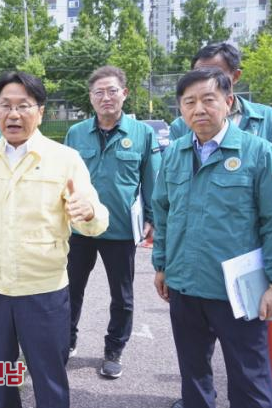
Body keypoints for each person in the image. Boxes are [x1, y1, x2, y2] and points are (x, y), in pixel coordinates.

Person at [0, 71, 109, 408]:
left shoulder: (64, 159)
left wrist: (88, 212)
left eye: (23, 106)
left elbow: (96, 219)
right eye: (5, 105)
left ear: (40, 112)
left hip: (44, 289)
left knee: (48, 376)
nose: (13, 114)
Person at [152, 67, 272, 408]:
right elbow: (162, 212)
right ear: (180, 108)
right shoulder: (174, 153)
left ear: (229, 102)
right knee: (193, 377)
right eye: (189, 102)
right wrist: (161, 265)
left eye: (208, 99)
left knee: (250, 381)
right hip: (185, 286)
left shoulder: (258, 152)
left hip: (238, 292)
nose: (199, 109)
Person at [63, 65, 161, 378]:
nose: (106, 97)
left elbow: (152, 180)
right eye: (99, 92)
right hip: (79, 227)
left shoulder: (142, 134)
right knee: (69, 290)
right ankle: (66, 341)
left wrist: (152, 218)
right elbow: (63, 179)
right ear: (91, 97)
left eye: (112, 91)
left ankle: (114, 349)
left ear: (124, 94)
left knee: (122, 296)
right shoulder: (76, 133)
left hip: (120, 229)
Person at [169, 42, 272, 169]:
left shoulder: (268, 118)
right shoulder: (181, 126)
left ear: (236, 76)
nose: (207, 79)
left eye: (216, 73)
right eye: (199, 73)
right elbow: (174, 169)